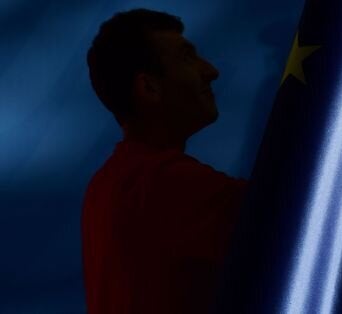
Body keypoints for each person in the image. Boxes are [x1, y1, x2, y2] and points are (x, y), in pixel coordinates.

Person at [81, 8, 247, 313]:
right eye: (187, 57)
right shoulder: (166, 184)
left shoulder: (106, 185)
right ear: (149, 88)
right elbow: (310, 216)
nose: (210, 70)